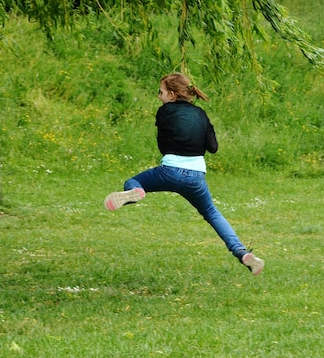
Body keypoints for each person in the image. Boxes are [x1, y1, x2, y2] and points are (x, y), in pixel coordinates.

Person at [103, 72, 264, 276]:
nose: (158, 96)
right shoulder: (201, 115)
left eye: (160, 92)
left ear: (171, 95)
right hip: (196, 176)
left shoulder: (164, 112)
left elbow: (162, 146)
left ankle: (135, 192)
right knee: (212, 214)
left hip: (169, 171)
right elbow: (213, 148)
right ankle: (241, 253)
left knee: (133, 181)